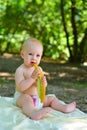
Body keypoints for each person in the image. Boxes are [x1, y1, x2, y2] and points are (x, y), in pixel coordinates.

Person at [14, 38, 76, 120]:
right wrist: (32, 78)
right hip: (22, 98)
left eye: (37, 55)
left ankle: (64, 107)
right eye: (30, 54)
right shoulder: (20, 70)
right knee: (26, 98)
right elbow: (20, 87)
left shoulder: (39, 69)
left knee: (51, 98)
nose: (34, 58)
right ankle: (33, 113)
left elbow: (40, 86)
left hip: (37, 98)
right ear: (22, 54)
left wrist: (43, 83)